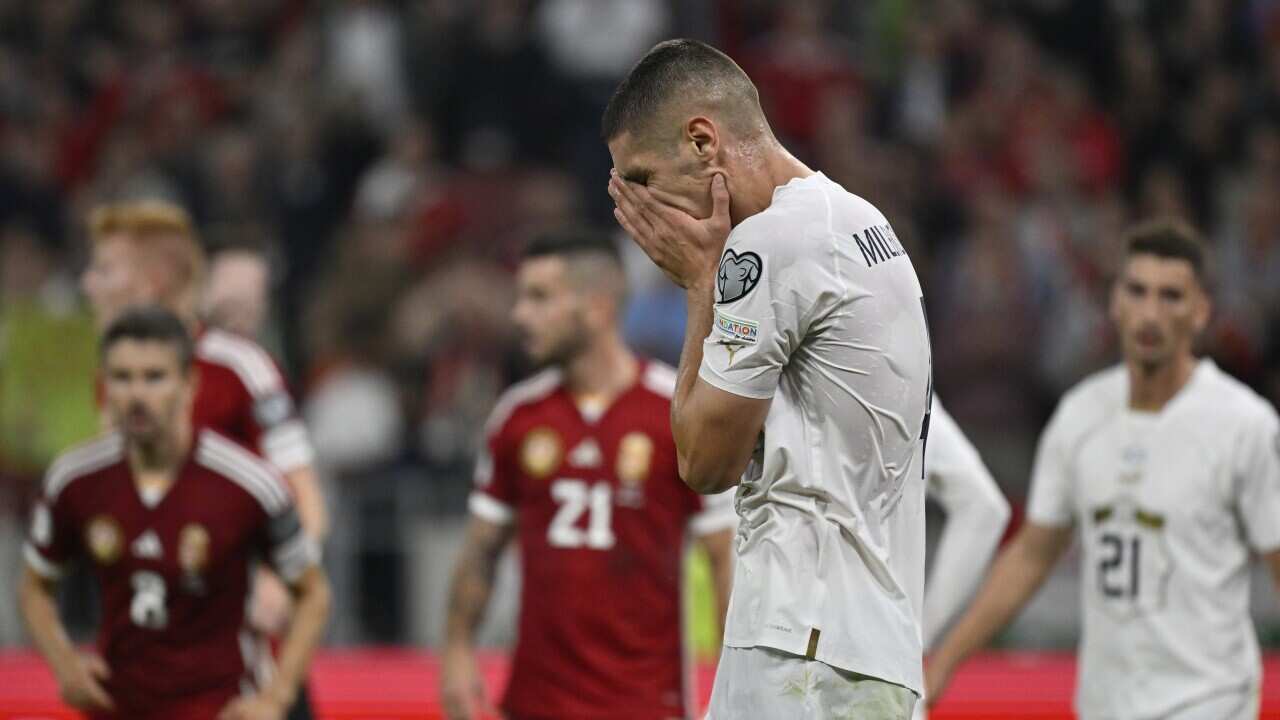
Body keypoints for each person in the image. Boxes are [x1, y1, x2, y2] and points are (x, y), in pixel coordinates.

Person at [605, 39, 933, 719]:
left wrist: (701, 283)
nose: (640, 208)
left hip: (803, 646)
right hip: (866, 641)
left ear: (703, 142)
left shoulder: (768, 244)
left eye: (640, 178)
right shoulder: (861, 220)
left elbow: (704, 462)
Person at [926, 219, 1280, 720]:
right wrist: (943, 664)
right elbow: (1032, 554)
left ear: (1201, 312)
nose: (1150, 312)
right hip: (1107, 704)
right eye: (1137, 291)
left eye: (1171, 296)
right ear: (1114, 301)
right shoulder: (1080, 416)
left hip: (1209, 700)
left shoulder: (1244, 425)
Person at [439, 230, 737, 720]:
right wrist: (455, 651)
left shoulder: (673, 415)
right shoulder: (518, 416)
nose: (520, 316)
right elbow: (481, 550)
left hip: (645, 705)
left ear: (597, 308)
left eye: (539, 298)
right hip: (535, 704)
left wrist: (733, 688)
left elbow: (726, 559)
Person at [18, 307, 331, 719]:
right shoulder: (75, 480)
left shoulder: (248, 484)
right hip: (119, 707)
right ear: (104, 386)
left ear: (189, 385)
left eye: (154, 377)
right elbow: (35, 584)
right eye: (122, 377)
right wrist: (64, 663)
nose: (137, 395)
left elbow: (313, 594)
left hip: (220, 707)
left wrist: (276, 696)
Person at [79, 201, 326, 718]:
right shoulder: (114, 383)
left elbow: (305, 497)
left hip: (241, 668)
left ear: (151, 282)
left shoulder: (238, 368)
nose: (88, 285)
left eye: (104, 270)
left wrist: (277, 583)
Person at [895, 396, 1010, 720]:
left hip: (787, 651)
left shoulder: (774, 384)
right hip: (894, 666)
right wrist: (921, 634)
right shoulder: (911, 382)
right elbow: (984, 509)